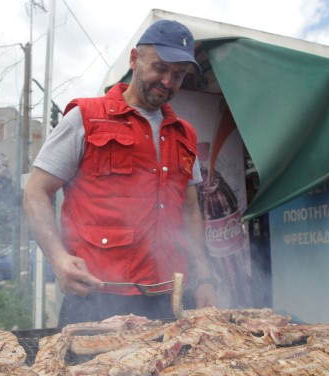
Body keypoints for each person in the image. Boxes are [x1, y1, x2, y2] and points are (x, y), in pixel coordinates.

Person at [23, 19, 217, 326]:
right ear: (134, 60)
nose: (168, 81)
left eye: (178, 75)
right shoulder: (85, 118)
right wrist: (59, 261)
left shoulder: (185, 134)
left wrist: (205, 276)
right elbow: (36, 191)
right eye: (160, 68)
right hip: (98, 298)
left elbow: (190, 210)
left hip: (170, 298)